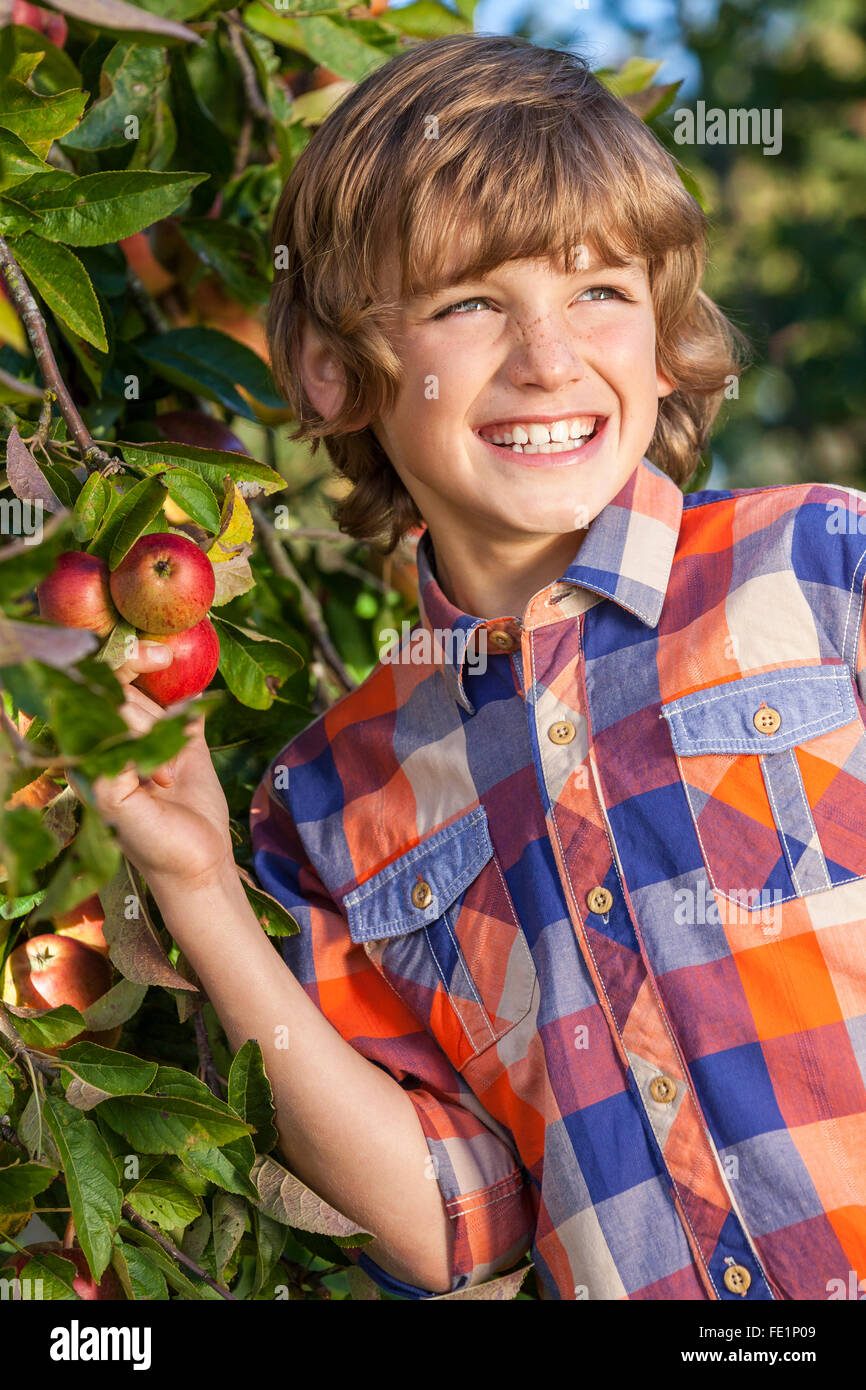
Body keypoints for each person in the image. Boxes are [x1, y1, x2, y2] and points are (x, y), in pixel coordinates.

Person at [96, 33, 866, 1302]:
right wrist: (200, 892)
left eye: (598, 293)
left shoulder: (821, 566)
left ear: (663, 335)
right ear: (336, 372)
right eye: (469, 303)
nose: (549, 359)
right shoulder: (329, 798)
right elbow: (449, 1215)